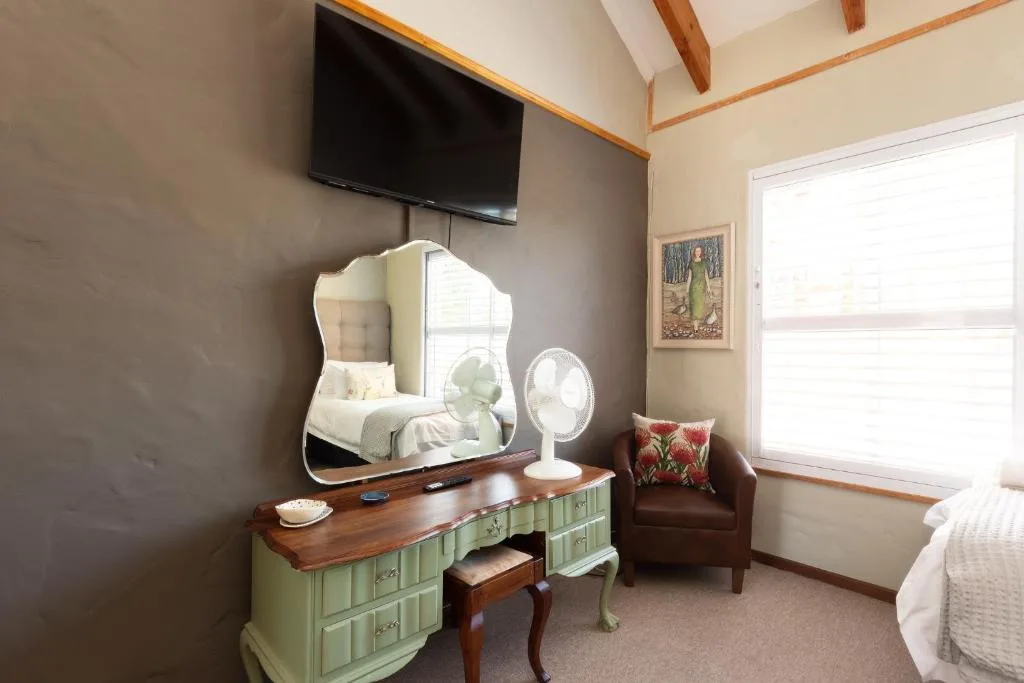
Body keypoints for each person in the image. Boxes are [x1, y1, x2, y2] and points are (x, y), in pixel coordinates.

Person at [685, 245, 713, 332]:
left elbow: (706, 276)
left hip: (702, 288)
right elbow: (689, 277)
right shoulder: (691, 263)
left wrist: (708, 288)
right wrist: (687, 288)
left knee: (699, 306)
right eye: (696, 251)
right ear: (694, 252)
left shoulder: (704, 262)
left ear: (701, 252)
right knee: (694, 306)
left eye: (699, 251)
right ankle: (695, 327)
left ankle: (698, 324)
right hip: (694, 288)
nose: (698, 253)